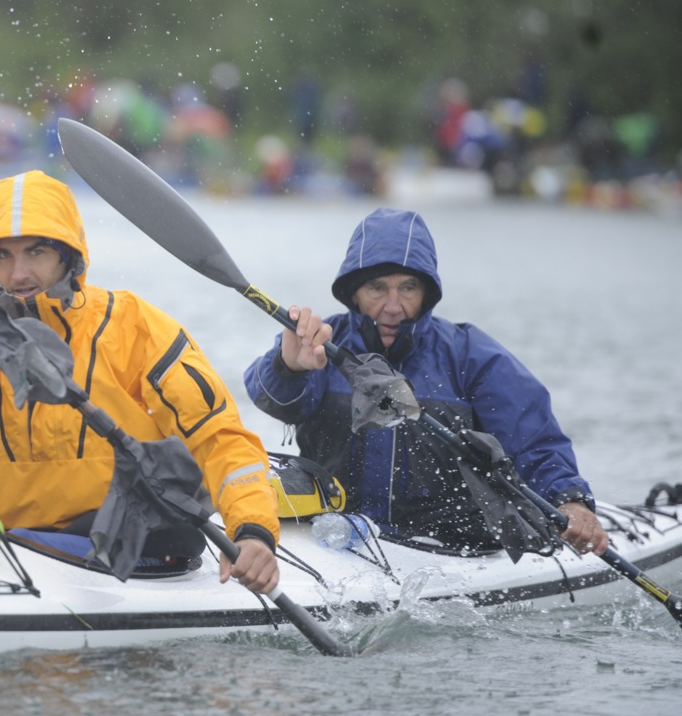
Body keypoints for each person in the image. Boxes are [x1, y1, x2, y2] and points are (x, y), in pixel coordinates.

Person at [0, 170, 281, 594]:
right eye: (3, 256)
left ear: (68, 255)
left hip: (134, 543)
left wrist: (252, 529)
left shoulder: (135, 325)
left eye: (35, 252)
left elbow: (218, 437)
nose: (18, 273)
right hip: (8, 543)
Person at [244, 207, 608, 556]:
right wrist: (289, 368)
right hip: (336, 541)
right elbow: (272, 399)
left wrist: (569, 499)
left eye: (408, 288)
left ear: (426, 293)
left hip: (447, 549)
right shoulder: (319, 345)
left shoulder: (471, 356)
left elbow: (533, 441)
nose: (393, 306)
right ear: (354, 292)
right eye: (377, 288)